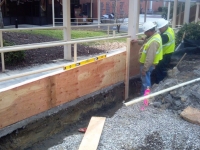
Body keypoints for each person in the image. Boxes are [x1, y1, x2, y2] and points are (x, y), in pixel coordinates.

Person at [132, 21, 163, 95]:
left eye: (146, 32)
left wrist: (144, 69)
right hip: (149, 64)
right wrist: (137, 41)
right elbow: (145, 42)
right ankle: (143, 95)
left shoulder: (154, 42)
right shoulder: (154, 36)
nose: (145, 33)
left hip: (148, 65)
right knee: (145, 81)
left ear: (150, 31)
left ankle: (145, 98)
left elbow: (150, 57)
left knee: (146, 82)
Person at [154, 18, 175, 84]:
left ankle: (159, 83)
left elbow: (155, 42)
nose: (159, 30)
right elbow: (158, 36)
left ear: (164, 26)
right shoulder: (169, 30)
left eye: (160, 28)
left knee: (160, 69)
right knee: (161, 69)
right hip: (168, 53)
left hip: (165, 54)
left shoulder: (166, 36)